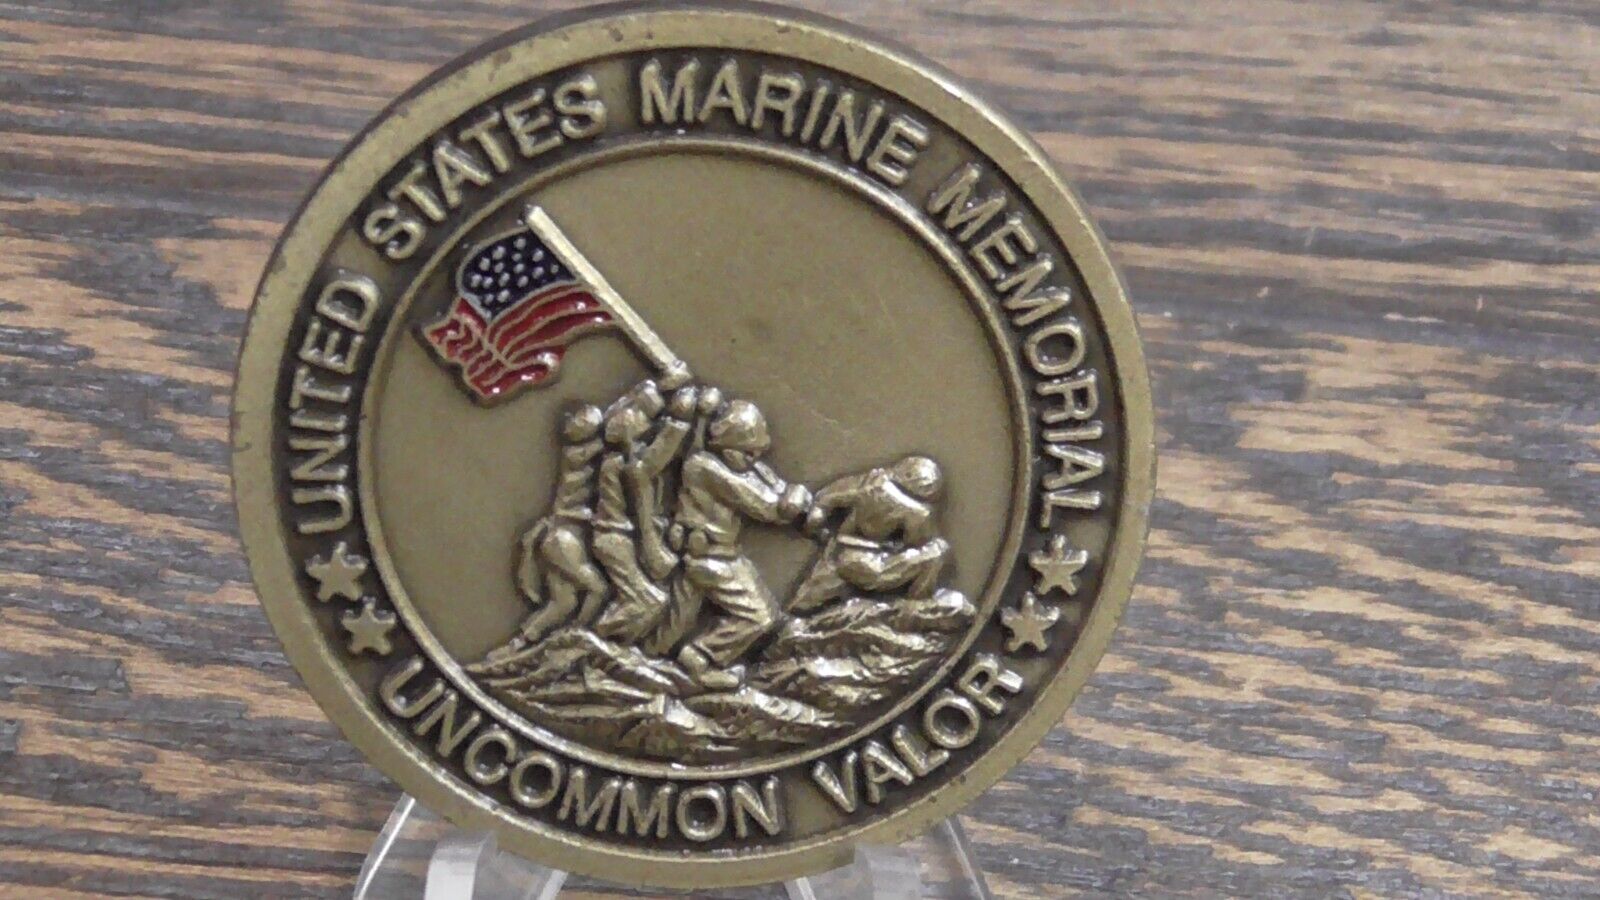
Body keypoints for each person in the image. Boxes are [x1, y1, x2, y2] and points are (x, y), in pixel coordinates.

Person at [665, 399, 811, 690]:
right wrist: (792, 500)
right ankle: (698, 659)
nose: (753, 460)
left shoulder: (732, 465)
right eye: (747, 453)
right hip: (708, 558)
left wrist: (789, 493)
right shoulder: (705, 468)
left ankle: (762, 653)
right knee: (759, 617)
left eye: (757, 453)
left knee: (770, 614)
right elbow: (764, 506)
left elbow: (773, 492)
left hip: (726, 556)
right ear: (726, 445)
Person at [488, 405, 609, 660]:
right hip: (563, 538)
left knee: (563, 603)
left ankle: (518, 646)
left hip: (561, 535)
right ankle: (575, 640)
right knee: (598, 589)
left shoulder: (580, 452)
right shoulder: (579, 455)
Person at [589, 378, 697, 643]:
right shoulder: (626, 465)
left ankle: (605, 645)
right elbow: (650, 466)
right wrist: (680, 422)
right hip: (615, 539)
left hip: (617, 538)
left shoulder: (619, 459)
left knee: (649, 602)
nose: (654, 426)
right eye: (650, 420)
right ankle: (593, 641)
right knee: (648, 603)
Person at [789, 456, 950, 613]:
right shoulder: (918, 512)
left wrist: (815, 530)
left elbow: (825, 500)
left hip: (838, 552)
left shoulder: (871, 482)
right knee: (937, 551)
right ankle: (916, 607)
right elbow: (916, 543)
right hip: (871, 565)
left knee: (802, 605)